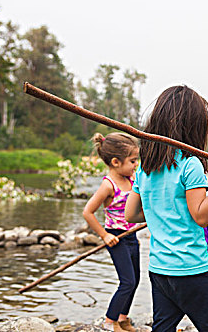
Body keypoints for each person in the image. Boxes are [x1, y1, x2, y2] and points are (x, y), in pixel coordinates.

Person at [125, 85, 208, 332]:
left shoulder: (145, 167)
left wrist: (162, 209)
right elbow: (201, 216)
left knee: (163, 328)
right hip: (191, 269)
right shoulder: (190, 165)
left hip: (159, 270)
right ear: (195, 127)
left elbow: (131, 214)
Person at [83, 132, 140, 332]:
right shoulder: (109, 185)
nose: (136, 165)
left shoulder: (132, 179)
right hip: (116, 238)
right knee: (127, 282)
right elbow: (88, 212)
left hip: (131, 236)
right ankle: (110, 322)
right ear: (116, 162)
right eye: (133, 161)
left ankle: (123, 319)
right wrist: (104, 235)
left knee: (135, 280)